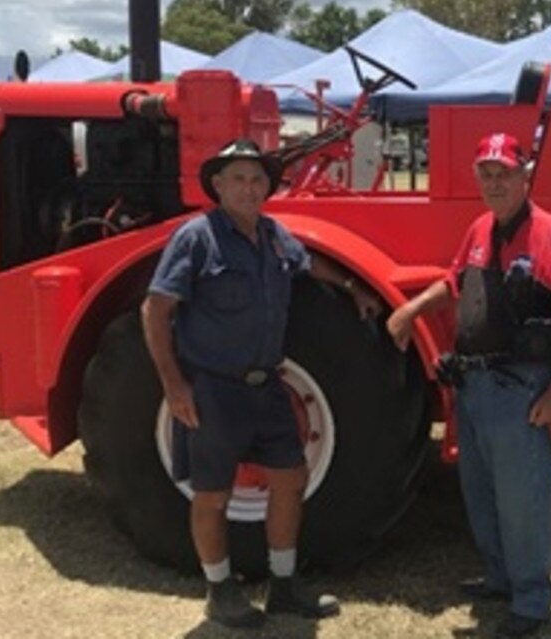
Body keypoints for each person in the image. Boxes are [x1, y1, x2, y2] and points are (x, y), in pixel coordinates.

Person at [142, 139, 382, 629]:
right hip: (214, 388)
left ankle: (284, 586)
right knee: (212, 494)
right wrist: (173, 385)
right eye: (239, 179)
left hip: (267, 386)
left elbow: (308, 264)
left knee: (290, 480)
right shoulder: (197, 238)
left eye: (257, 180)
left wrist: (354, 287)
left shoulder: (274, 236)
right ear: (217, 186)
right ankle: (220, 590)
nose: (249, 189)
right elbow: (156, 309)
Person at [386, 132, 551, 638]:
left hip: (521, 387)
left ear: (525, 176)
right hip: (475, 384)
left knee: (522, 499)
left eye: (504, 172)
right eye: (486, 173)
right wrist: (411, 309)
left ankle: (531, 601)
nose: (494, 182)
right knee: (481, 492)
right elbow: (456, 282)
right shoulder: (480, 228)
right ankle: (500, 578)